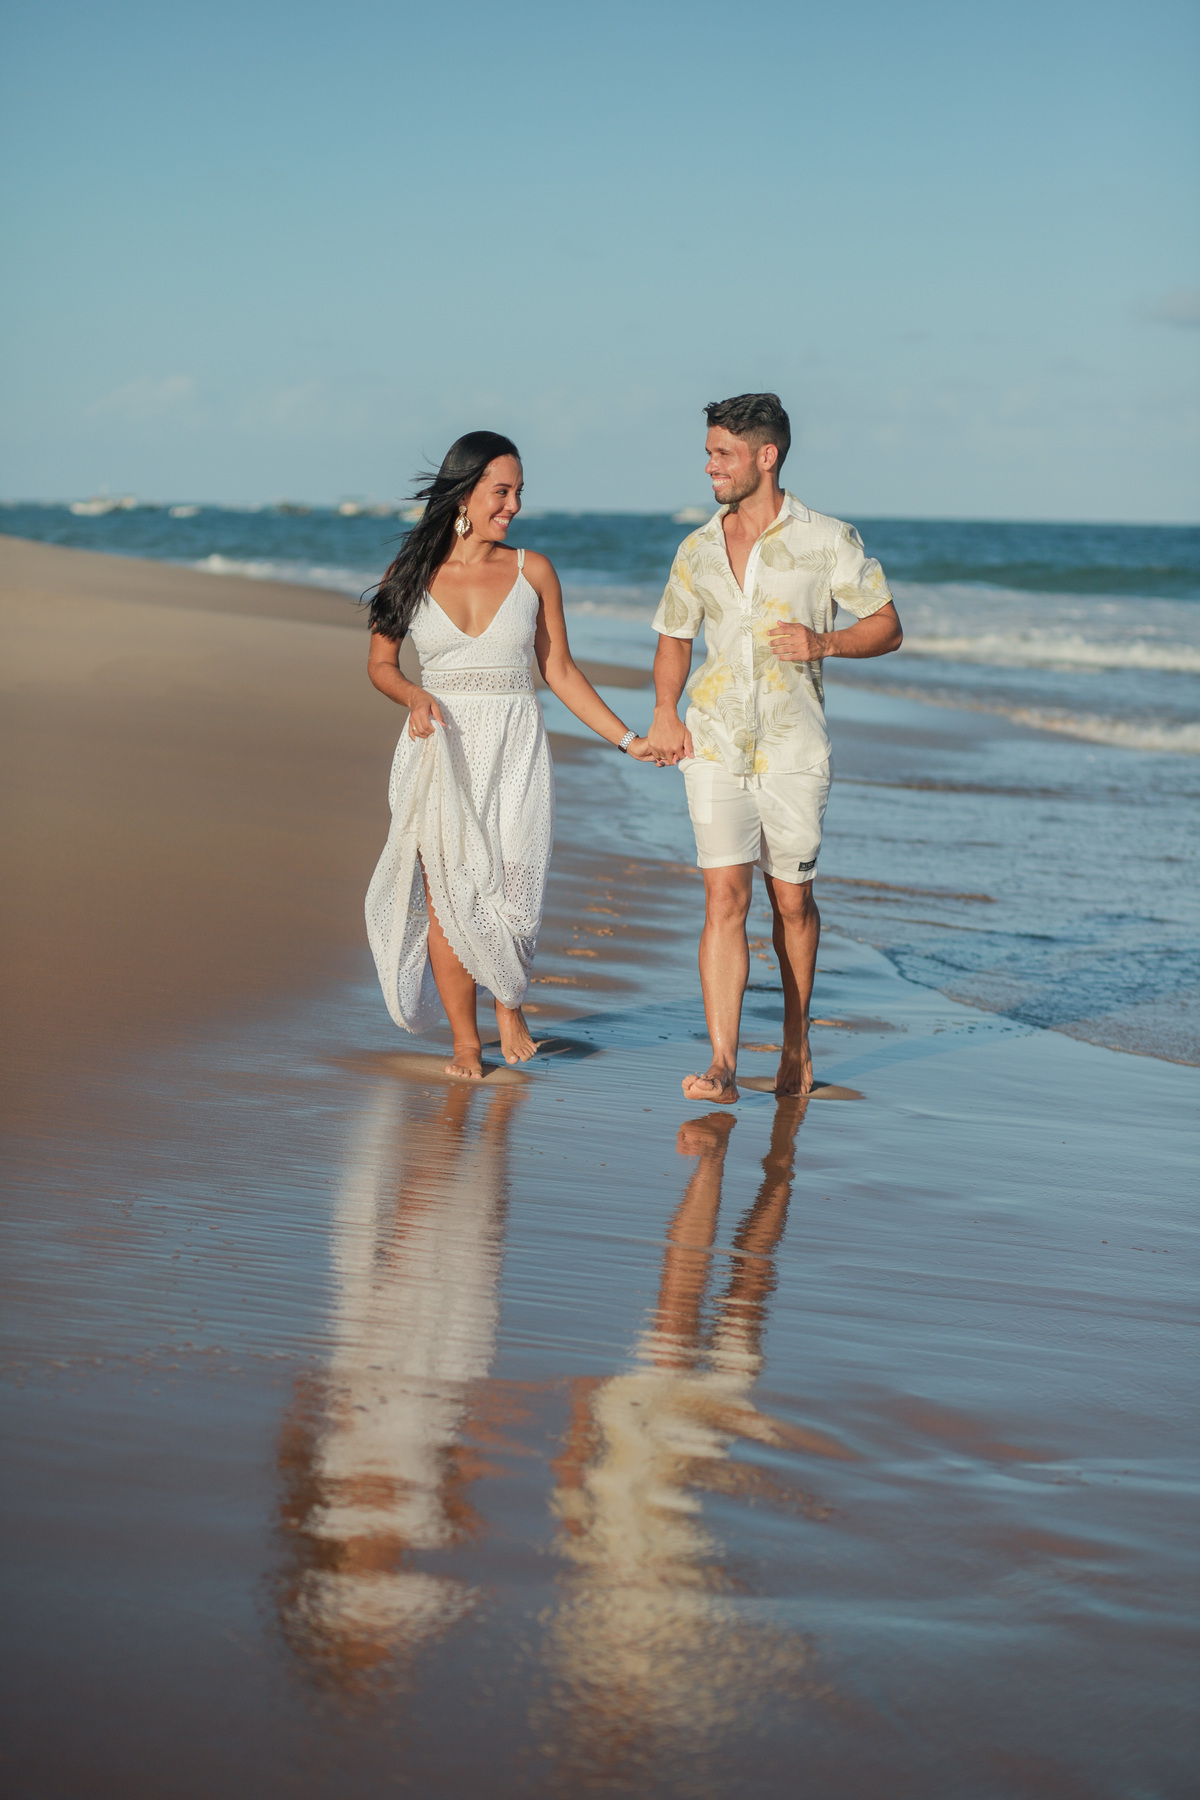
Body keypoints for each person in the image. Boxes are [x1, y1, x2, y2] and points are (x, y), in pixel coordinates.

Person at [365, 431, 657, 1080]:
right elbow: (381, 666)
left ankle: (510, 1003)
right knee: (448, 897)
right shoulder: (410, 576)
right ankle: (466, 1042)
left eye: (520, 492)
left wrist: (628, 739)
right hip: (440, 748)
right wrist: (414, 695)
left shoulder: (533, 571)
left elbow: (560, 670)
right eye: (503, 491)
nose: (514, 505)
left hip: (516, 749)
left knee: (512, 896)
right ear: (465, 494)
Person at [646, 394, 903, 1103]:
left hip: (794, 751)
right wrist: (667, 713)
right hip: (714, 743)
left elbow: (886, 625)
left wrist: (824, 642)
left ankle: (796, 1040)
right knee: (723, 897)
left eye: (722, 454)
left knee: (791, 902)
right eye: (708, 452)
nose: (709, 467)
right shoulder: (697, 548)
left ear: (767, 456)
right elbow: (673, 637)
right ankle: (723, 1062)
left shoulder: (827, 540)